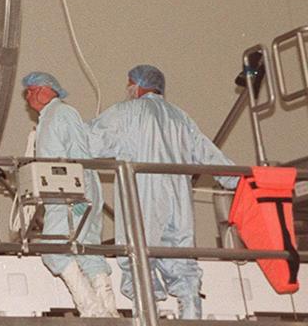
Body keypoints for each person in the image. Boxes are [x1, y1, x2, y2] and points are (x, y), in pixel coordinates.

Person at [88, 64, 239, 319]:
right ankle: (191, 315)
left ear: (136, 85)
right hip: (178, 199)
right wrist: (239, 181)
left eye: (129, 84)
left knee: (138, 256)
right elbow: (208, 154)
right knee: (182, 257)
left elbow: (89, 142)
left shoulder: (126, 112)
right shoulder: (180, 117)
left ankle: (147, 317)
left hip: (142, 197)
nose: (128, 89)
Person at [20, 72, 117, 316]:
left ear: (49, 90)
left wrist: (78, 193)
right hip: (65, 191)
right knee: (85, 248)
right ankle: (107, 309)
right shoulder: (48, 119)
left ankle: (92, 309)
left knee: (54, 248)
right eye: (27, 91)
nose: (29, 95)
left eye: (33, 89)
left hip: (71, 192)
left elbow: (79, 154)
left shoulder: (62, 113)